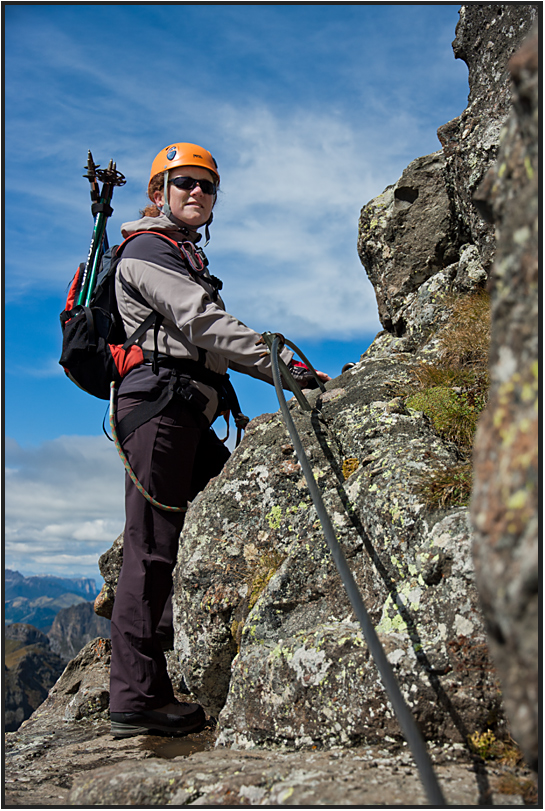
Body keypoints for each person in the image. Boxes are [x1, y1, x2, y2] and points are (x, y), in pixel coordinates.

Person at [108, 142, 330, 739]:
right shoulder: (149, 251)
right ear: (159, 193)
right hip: (160, 410)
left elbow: (199, 340)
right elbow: (201, 324)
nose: (197, 193)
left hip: (182, 410)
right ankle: (135, 698)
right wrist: (283, 364)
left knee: (216, 518)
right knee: (150, 546)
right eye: (183, 183)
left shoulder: (180, 255)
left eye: (207, 186)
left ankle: (172, 670)